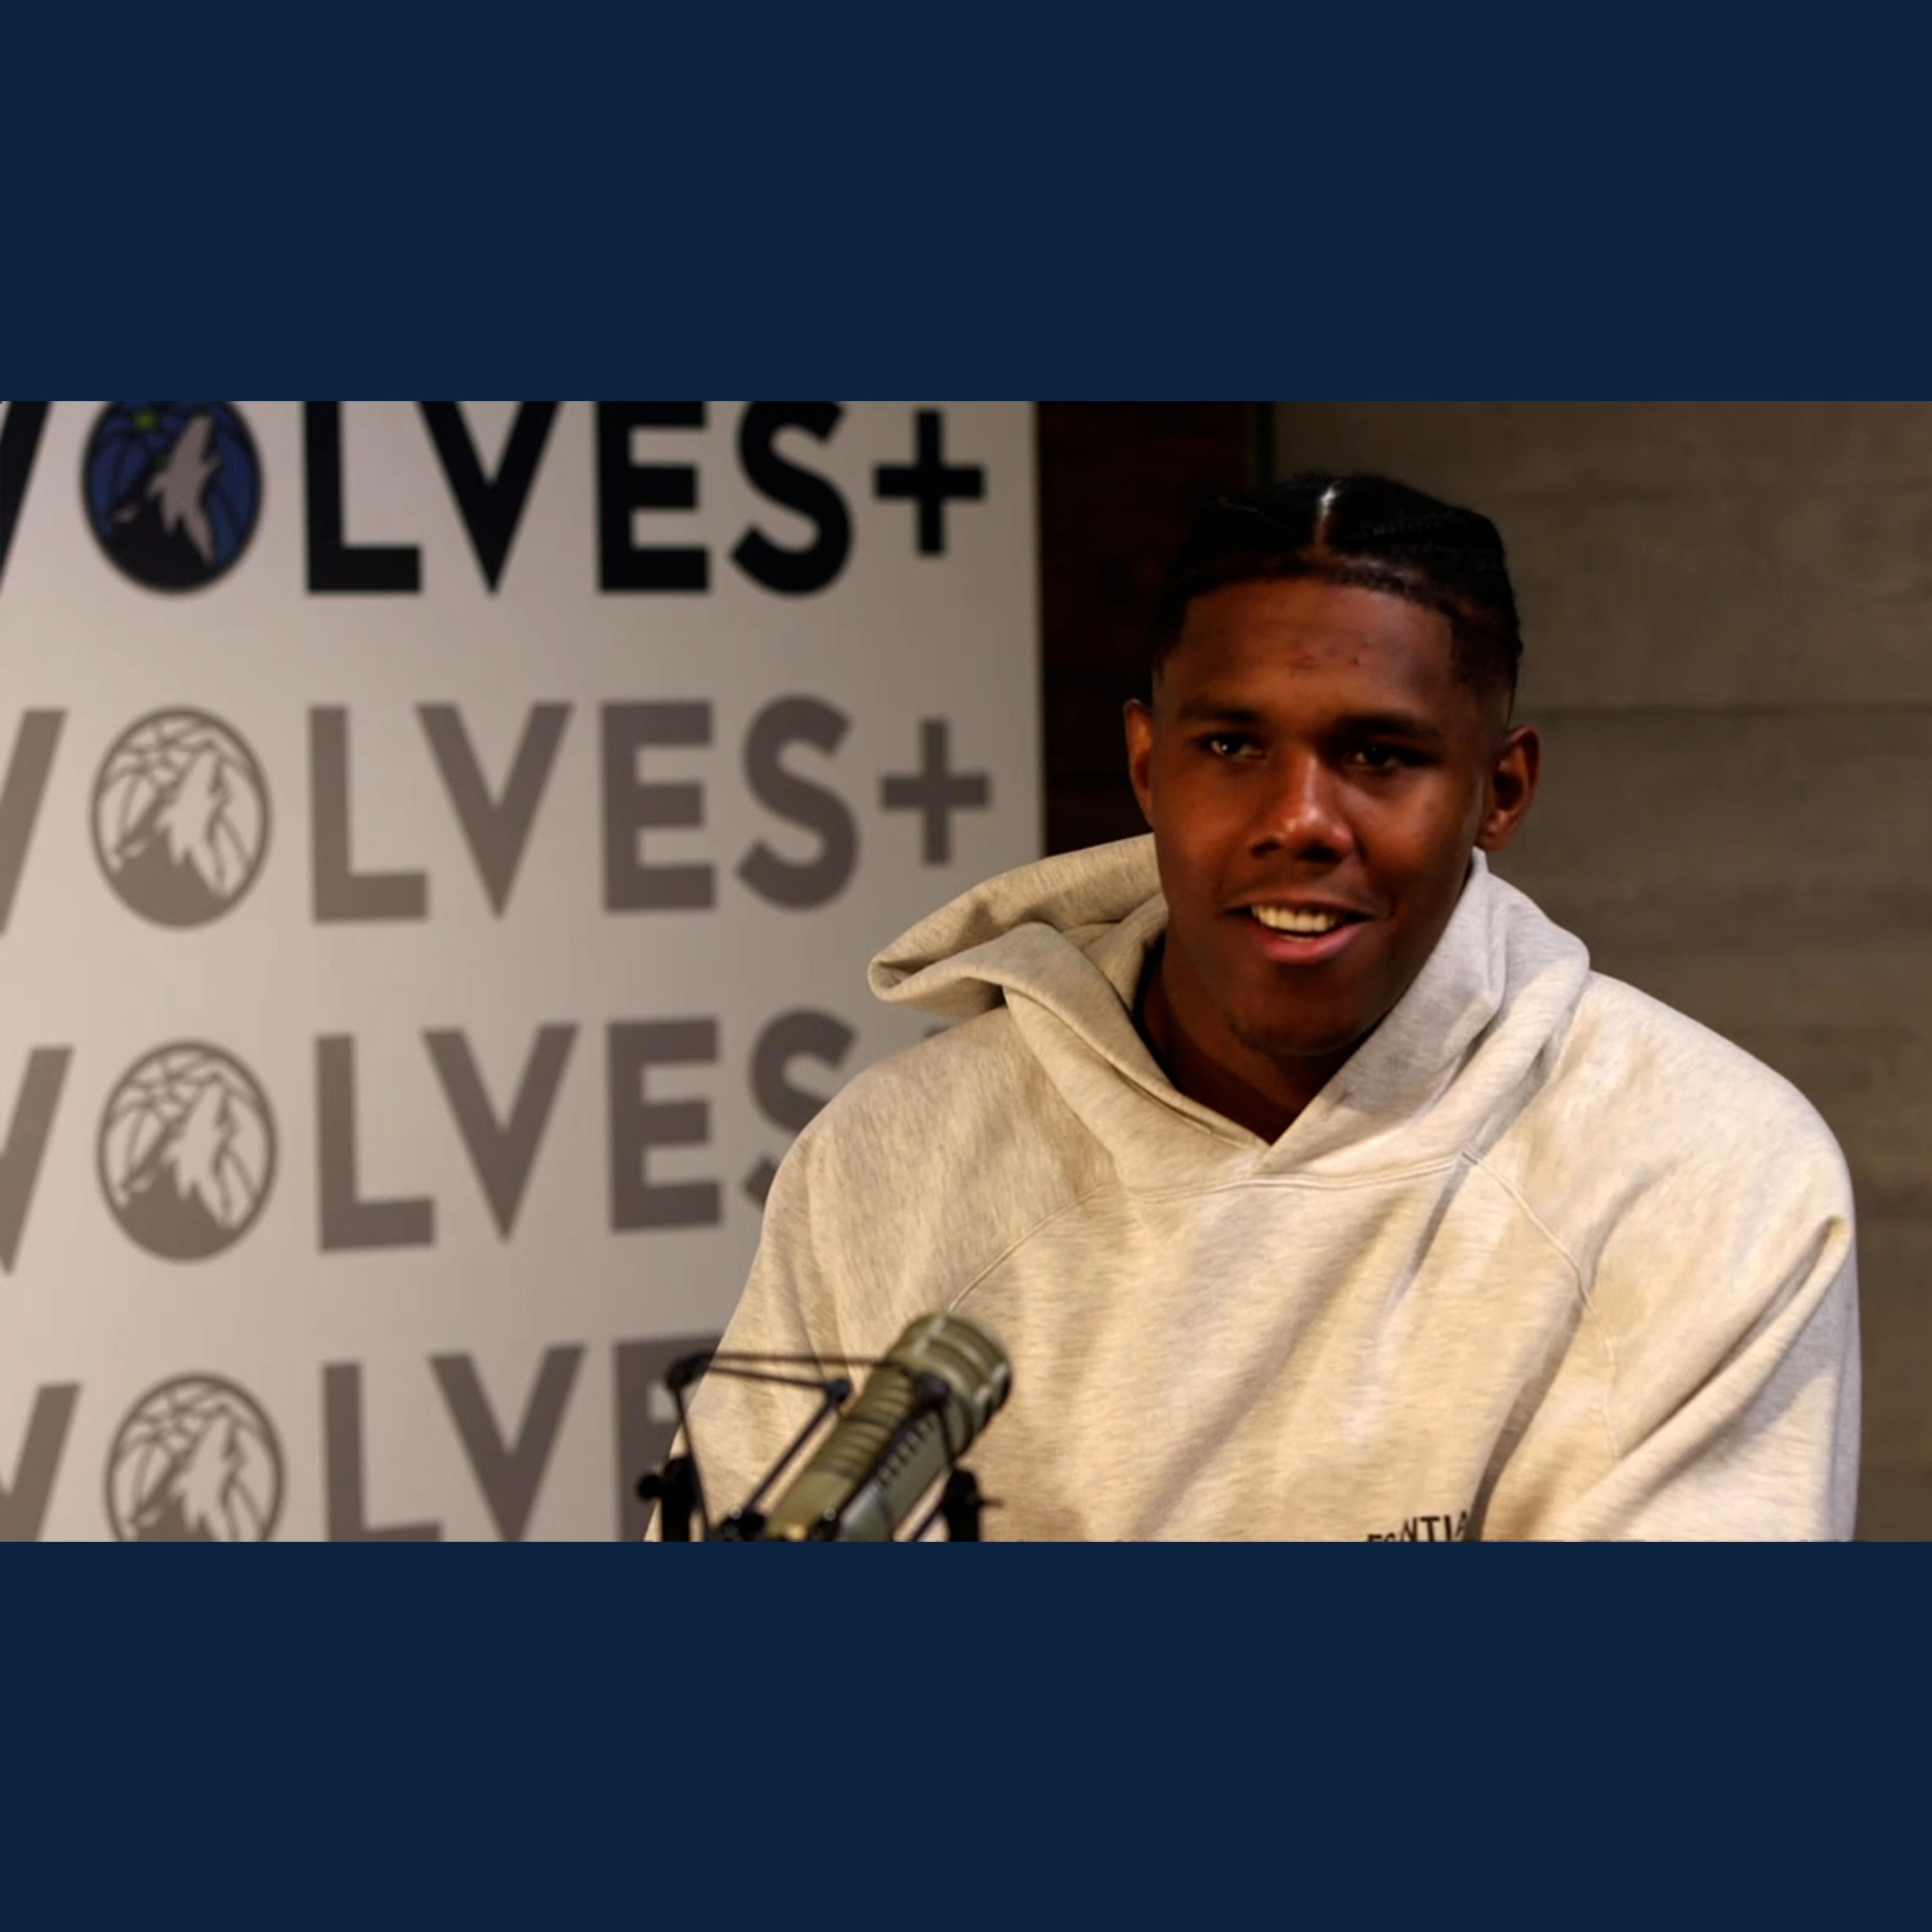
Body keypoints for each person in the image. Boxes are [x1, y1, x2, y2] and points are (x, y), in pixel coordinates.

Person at [672, 472, 1861, 1542]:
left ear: (1500, 791)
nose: (1300, 820)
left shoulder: (1704, 1169)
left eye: (1379, 755)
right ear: (1148, 768)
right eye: (1234, 746)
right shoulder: (892, 1160)